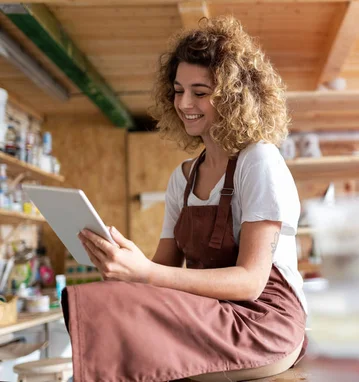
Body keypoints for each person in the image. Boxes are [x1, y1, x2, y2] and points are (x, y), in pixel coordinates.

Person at [62, 15, 307, 382]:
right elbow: (160, 271)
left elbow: (250, 282)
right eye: (178, 90)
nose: (184, 103)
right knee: (107, 300)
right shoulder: (183, 178)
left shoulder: (258, 160)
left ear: (233, 97)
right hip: (210, 313)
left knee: (110, 313)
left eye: (200, 92)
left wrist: (145, 273)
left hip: (263, 322)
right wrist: (124, 265)